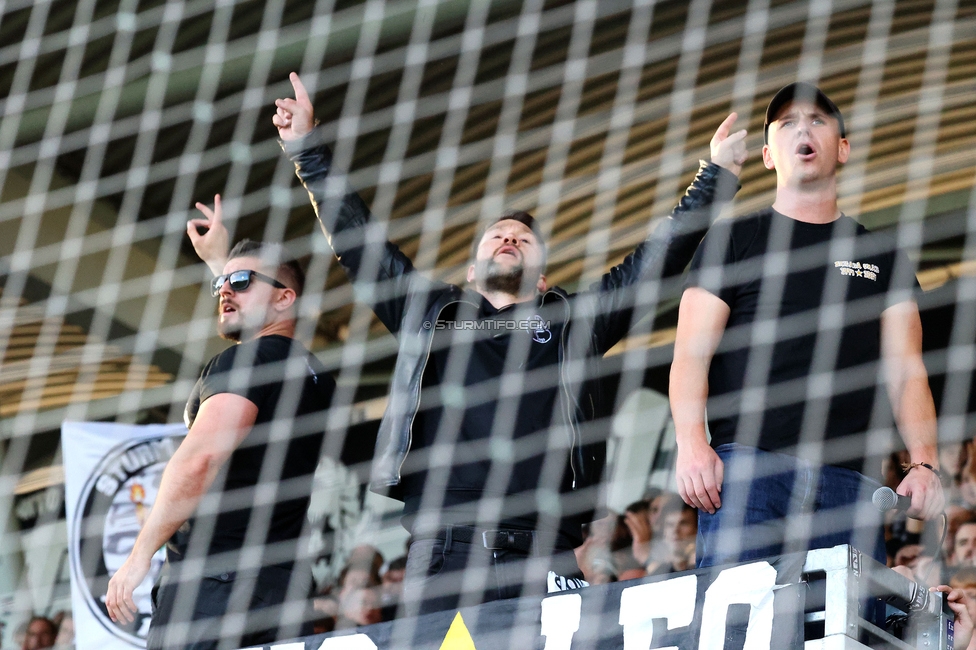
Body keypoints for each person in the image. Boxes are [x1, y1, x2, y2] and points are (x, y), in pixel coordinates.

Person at [268, 71, 746, 616]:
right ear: (472, 270)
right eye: (496, 235)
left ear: (543, 278)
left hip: (543, 547)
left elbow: (653, 263)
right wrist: (306, 149)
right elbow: (358, 242)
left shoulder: (573, 320)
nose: (509, 239)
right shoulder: (428, 311)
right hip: (443, 545)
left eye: (523, 240)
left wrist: (716, 178)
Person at [670, 82, 945, 572]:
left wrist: (924, 463)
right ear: (768, 155)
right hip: (748, 471)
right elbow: (691, 354)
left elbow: (908, 371)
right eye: (787, 123)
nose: (803, 129)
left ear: (842, 148)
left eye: (818, 120)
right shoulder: (734, 239)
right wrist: (692, 443)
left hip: (851, 482)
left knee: (843, 641)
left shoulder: (882, 256)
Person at [105, 234, 336, 648]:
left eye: (242, 281)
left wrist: (139, 557)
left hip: (213, 584)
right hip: (284, 588)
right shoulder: (314, 373)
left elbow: (201, 458)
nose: (225, 290)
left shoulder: (243, 361)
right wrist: (225, 265)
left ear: (285, 299)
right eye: (220, 285)